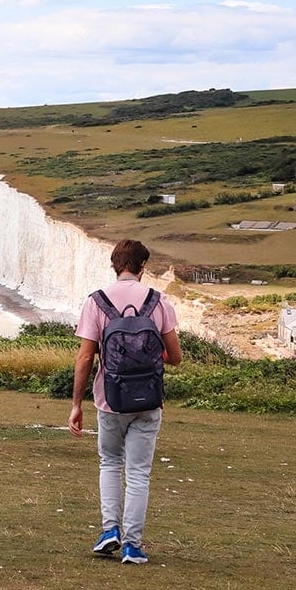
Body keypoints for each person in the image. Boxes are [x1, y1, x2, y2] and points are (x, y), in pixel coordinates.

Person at [68, 239, 182, 565]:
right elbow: (175, 357)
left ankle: (109, 531)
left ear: (114, 265)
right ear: (142, 267)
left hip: (109, 401)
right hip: (148, 402)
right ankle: (132, 545)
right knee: (139, 473)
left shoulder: (96, 302)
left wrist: (77, 404)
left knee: (110, 463)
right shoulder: (158, 302)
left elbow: (85, 356)